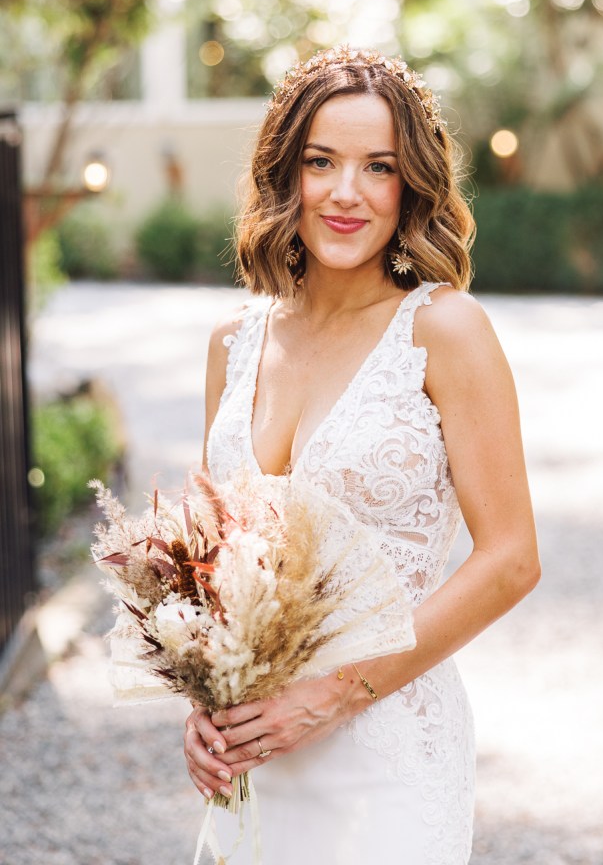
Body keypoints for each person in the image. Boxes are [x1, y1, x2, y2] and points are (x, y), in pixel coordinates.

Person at [183, 45, 541, 865]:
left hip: (385, 744)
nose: (346, 193)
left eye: (377, 167)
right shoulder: (232, 344)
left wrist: (333, 696)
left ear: (409, 185)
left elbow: (512, 560)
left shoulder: (444, 330)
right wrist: (204, 702)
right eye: (321, 162)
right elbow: (212, 564)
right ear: (286, 176)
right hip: (255, 746)